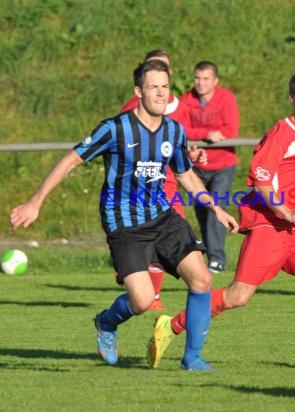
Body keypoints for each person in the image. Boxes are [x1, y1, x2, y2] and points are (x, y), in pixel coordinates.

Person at [10, 60, 239, 371]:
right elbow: (71, 160)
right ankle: (106, 322)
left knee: (202, 279)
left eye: (165, 86)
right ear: (138, 91)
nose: (160, 93)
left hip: (163, 216)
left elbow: (185, 175)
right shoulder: (115, 128)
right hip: (124, 223)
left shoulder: (174, 130)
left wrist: (215, 208)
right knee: (143, 301)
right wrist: (36, 201)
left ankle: (192, 359)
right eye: (153, 87)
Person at [146, 70, 295, 369]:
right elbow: (262, 183)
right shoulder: (280, 134)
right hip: (269, 225)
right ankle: (171, 325)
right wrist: (288, 211)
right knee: (237, 296)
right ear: (291, 98)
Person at [120, 49, 207, 311]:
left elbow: (179, 142)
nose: (160, 87)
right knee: (146, 247)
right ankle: (139, 286)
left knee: (192, 264)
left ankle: (156, 297)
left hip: (170, 187)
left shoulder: (179, 108)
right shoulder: (130, 112)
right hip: (139, 192)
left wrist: (191, 154)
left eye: (165, 73)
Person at [180, 61, 240, 273]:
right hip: (196, 166)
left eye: (206, 78)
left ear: (215, 81)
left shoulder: (227, 99)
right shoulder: (187, 99)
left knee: (217, 209)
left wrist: (206, 133)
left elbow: (230, 130)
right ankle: (209, 255)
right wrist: (206, 134)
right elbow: (182, 129)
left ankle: (217, 259)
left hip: (223, 164)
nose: (201, 83)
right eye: (197, 78)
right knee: (203, 212)